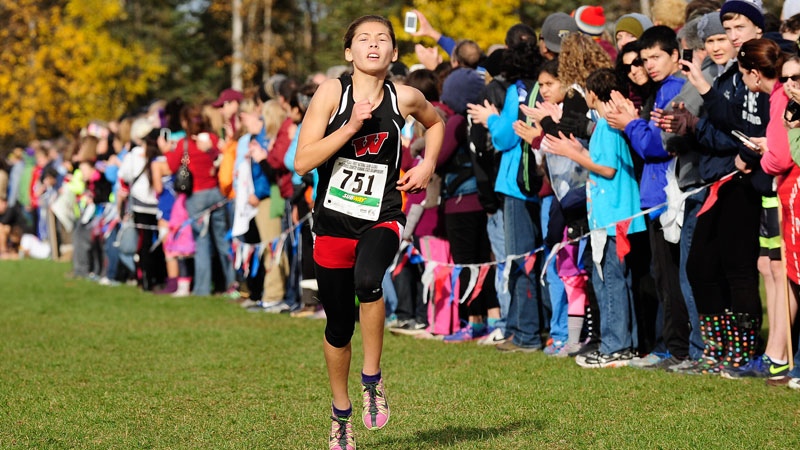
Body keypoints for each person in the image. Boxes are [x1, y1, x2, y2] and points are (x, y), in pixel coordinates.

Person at [294, 15, 443, 450]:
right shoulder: (331, 93)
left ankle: (372, 379)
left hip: (383, 213)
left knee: (368, 280)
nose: (373, 45)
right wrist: (350, 127)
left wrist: (428, 165)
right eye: (363, 39)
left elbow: (436, 124)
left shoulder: (405, 97)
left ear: (394, 52)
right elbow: (302, 162)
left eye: (382, 39)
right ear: (349, 52)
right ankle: (341, 413)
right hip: (332, 222)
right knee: (339, 326)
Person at [544, 68, 647, 368]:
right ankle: (624, 345)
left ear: (592, 94)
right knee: (613, 280)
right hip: (610, 215)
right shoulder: (607, 125)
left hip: (614, 217)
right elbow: (602, 161)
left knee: (610, 282)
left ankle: (616, 347)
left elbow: (607, 169)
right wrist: (578, 149)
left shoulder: (606, 125)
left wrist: (571, 153)